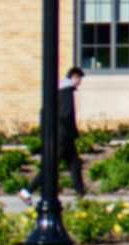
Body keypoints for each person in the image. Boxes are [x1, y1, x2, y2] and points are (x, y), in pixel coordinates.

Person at [24, 66, 88, 204]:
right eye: (79, 79)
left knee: (74, 164)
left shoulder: (57, 91)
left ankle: (81, 193)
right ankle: (27, 191)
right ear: (74, 77)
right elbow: (66, 114)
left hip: (63, 136)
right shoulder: (67, 91)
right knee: (51, 166)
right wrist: (69, 132)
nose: (80, 83)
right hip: (62, 137)